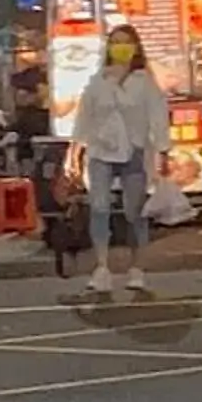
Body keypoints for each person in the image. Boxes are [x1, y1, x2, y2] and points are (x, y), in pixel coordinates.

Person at [75, 23, 173, 298]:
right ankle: (102, 267)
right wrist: (75, 151)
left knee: (135, 213)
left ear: (135, 47)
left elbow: (158, 116)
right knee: (99, 208)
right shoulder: (97, 80)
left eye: (125, 42)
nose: (120, 47)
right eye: (115, 42)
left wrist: (164, 152)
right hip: (100, 153)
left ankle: (137, 268)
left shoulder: (144, 81)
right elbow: (85, 116)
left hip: (134, 151)